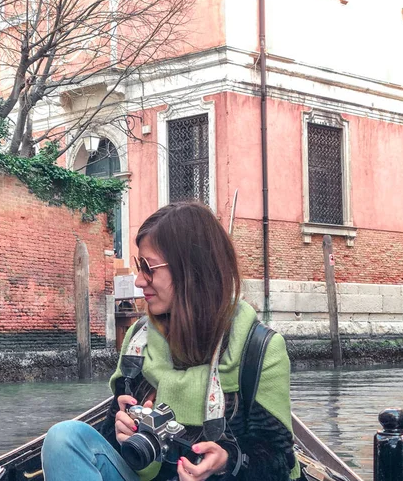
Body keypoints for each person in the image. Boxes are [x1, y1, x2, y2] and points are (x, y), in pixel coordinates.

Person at [42, 202, 300, 481]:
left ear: (191, 270)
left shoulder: (259, 350)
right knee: (63, 438)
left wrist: (228, 461)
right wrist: (120, 432)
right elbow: (115, 441)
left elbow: (278, 461)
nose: (139, 281)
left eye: (148, 267)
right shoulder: (138, 341)